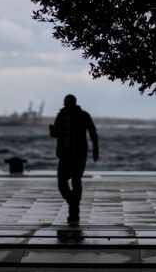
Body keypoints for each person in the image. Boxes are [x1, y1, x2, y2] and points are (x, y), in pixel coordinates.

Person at [49, 94, 99, 224]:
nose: (67, 105)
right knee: (62, 184)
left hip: (79, 156)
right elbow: (56, 134)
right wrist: (52, 131)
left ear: (74, 103)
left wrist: (95, 151)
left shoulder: (84, 115)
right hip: (64, 155)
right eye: (66, 103)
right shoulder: (61, 115)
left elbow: (93, 132)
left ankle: (74, 212)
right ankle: (73, 204)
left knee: (76, 182)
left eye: (69, 103)